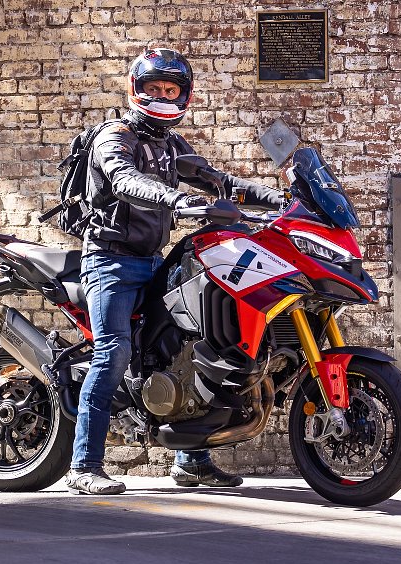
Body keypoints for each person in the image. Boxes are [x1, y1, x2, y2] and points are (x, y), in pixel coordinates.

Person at [66, 48, 284, 495]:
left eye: (171, 89)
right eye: (154, 88)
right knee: (113, 354)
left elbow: (219, 181)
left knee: (188, 349)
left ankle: (192, 461)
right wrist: (179, 201)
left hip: (154, 260)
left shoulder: (170, 144)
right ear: (136, 89)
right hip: (111, 262)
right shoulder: (115, 136)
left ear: (183, 95)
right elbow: (126, 179)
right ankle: (83, 465)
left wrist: (280, 201)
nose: (162, 95)